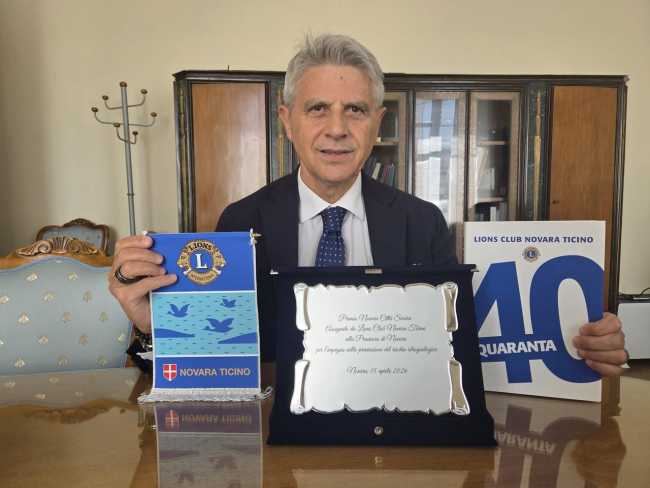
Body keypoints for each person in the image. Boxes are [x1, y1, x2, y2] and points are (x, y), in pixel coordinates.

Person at [108, 34, 627, 375]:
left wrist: (570, 344)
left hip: (393, 432)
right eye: (318, 109)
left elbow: (466, 344)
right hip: (275, 432)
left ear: (377, 124)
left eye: (355, 110)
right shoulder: (240, 221)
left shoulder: (422, 222)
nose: (337, 128)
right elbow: (219, 351)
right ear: (287, 122)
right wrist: (158, 326)